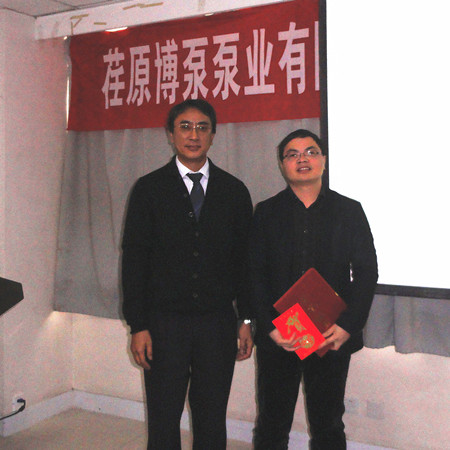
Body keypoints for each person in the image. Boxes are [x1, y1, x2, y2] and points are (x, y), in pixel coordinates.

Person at [121, 99, 253, 449]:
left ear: (213, 135)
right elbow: (134, 260)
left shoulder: (234, 190)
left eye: (202, 127)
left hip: (217, 323)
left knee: (212, 416)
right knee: (163, 416)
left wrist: (247, 318)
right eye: (185, 127)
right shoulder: (149, 189)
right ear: (170, 134)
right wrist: (138, 325)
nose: (194, 135)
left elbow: (245, 262)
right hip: (163, 324)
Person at [249, 129, 378, 449]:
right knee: (271, 422)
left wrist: (348, 325)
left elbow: (366, 272)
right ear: (282, 165)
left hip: (331, 332)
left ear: (323, 160)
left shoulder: (349, 210)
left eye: (310, 152)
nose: (302, 159)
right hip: (280, 333)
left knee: (328, 423)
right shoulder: (266, 212)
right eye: (292, 154)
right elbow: (253, 274)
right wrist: (269, 327)